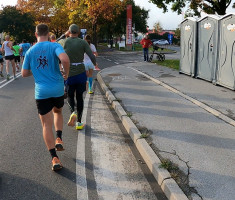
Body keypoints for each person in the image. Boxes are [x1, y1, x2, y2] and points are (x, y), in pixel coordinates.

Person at [21, 24, 70, 171]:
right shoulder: (53, 46)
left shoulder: (30, 51)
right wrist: (65, 74)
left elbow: (24, 73)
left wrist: (35, 73)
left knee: (46, 125)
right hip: (57, 89)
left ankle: (54, 158)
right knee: (58, 112)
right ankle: (59, 137)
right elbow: (65, 60)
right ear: (48, 33)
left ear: (36, 34)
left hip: (41, 92)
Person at [58, 24, 96, 130]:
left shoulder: (63, 42)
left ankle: (72, 112)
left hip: (69, 73)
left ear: (69, 32)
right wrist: (95, 63)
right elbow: (92, 55)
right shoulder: (83, 42)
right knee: (80, 97)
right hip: (80, 72)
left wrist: (63, 35)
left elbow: (54, 43)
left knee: (70, 96)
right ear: (78, 32)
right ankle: (79, 122)